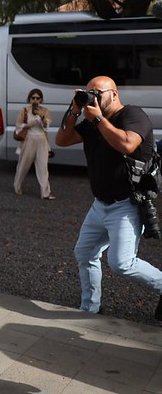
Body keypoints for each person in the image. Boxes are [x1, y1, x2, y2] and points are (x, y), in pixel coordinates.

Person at [56, 76, 162, 319]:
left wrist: (100, 120)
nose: (93, 97)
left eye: (98, 93)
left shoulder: (133, 115)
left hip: (127, 204)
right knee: (84, 253)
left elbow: (127, 144)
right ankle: (90, 308)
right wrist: (74, 110)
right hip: (99, 204)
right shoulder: (92, 122)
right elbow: (62, 140)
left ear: (114, 94)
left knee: (122, 263)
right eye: (89, 92)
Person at [13, 88, 54, 199]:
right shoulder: (24, 110)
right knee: (23, 165)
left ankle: (45, 193)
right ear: (29, 99)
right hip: (28, 140)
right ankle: (17, 185)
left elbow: (47, 127)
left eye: (38, 98)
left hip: (42, 140)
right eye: (33, 98)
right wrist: (30, 124)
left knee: (43, 167)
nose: (35, 100)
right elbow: (18, 125)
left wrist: (42, 117)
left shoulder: (45, 111)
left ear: (41, 100)